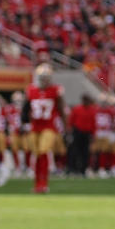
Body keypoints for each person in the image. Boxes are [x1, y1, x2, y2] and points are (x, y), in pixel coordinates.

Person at [24, 63, 64, 194]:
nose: (45, 79)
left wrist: (65, 126)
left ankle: (43, 184)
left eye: (47, 77)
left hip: (49, 126)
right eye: (42, 76)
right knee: (36, 154)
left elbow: (61, 109)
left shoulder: (55, 90)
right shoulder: (31, 90)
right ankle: (37, 184)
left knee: (43, 152)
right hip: (35, 126)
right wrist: (24, 123)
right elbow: (26, 109)